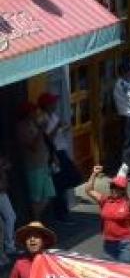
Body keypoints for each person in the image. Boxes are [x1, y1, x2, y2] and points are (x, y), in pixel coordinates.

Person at [85, 166, 130, 263]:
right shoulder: (105, 200)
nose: (114, 189)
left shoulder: (129, 202)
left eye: (117, 187)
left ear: (123, 190)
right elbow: (88, 190)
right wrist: (94, 174)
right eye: (112, 187)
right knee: (110, 270)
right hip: (108, 243)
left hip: (125, 243)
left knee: (125, 270)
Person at [38, 92, 78, 224]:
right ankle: (60, 214)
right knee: (59, 184)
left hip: (62, 150)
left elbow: (60, 128)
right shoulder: (43, 118)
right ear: (47, 105)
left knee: (67, 180)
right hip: (55, 153)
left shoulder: (53, 115)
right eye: (52, 102)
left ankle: (63, 211)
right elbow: (47, 137)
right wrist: (58, 127)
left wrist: (63, 127)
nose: (55, 104)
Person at [16, 102, 55, 222]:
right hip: (34, 167)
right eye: (33, 111)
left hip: (43, 164)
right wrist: (40, 130)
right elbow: (33, 147)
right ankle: (36, 222)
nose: (35, 113)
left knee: (49, 194)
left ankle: (37, 219)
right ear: (28, 113)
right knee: (36, 198)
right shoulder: (22, 127)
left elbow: (45, 140)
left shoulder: (34, 123)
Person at [0, 155, 14, 264]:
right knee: (7, 219)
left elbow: (8, 164)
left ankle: (7, 247)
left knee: (10, 217)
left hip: (2, 191)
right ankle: (4, 252)